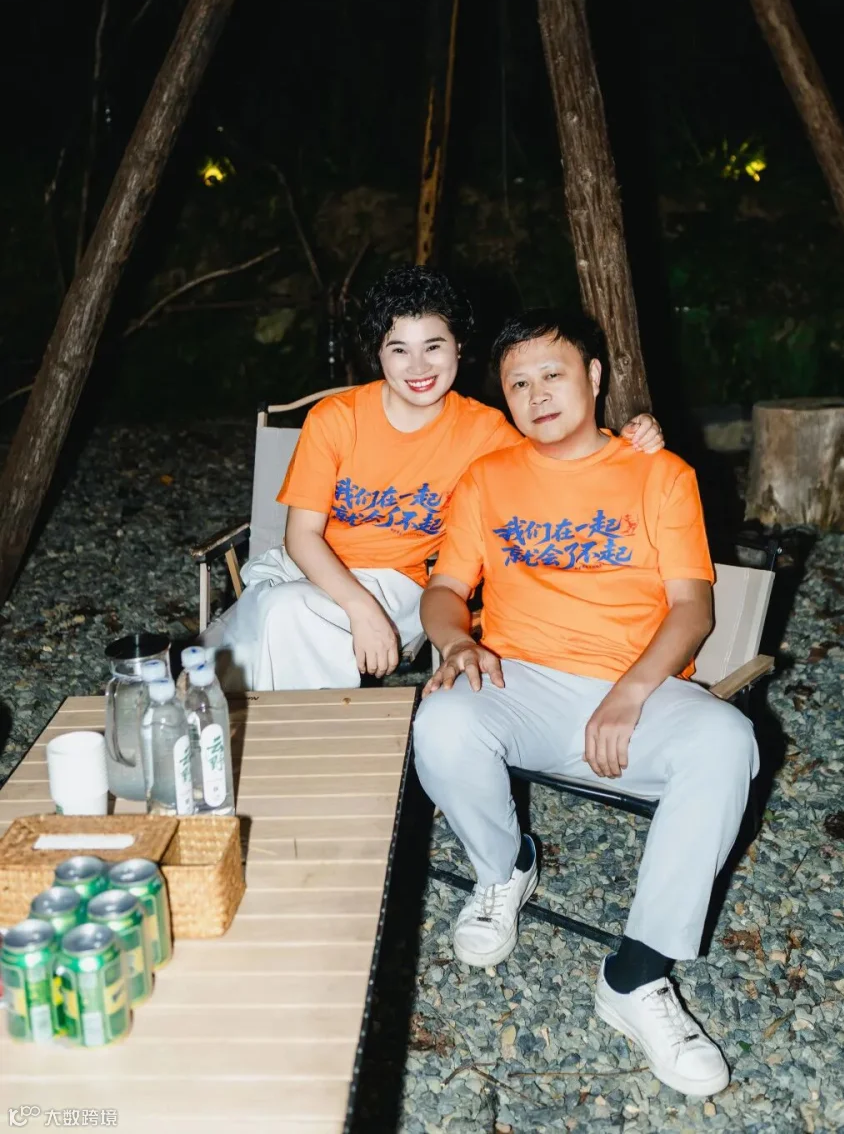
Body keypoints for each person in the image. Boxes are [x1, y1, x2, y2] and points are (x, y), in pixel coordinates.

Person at [412, 307, 758, 1098]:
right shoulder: (489, 479)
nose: (537, 395)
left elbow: (693, 610)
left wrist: (631, 692)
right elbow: (443, 588)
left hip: (639, 689)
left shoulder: (659, 474)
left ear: (594, 377)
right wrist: (457, 643)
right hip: (522, 684)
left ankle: (636, 976)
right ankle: (504, 869)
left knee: (726, 741)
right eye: (518, 383)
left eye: (553, 374)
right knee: (443, 720)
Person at [213, 266, 663, 691]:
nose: (419, 367)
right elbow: (302, 536)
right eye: (399, 350)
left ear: (458, 346)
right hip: (311, 570)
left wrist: (630, 436)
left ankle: (270, 724)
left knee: (273, 618)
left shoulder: (484, 433)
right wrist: (359, 609)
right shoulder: (336, 419)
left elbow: (563, 459)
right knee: (242, 640)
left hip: (399, 585)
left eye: (433, 346)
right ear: (378, 354)